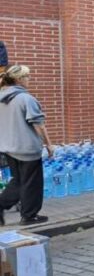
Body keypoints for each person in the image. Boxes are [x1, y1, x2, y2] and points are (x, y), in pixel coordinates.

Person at [0, 65, 52, 226]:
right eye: (27, 76)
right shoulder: (26, 99)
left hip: (8, 147)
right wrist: (49, 145)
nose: (29, 79)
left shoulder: (2, 97)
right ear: (18, 79)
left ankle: (2, 205)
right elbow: (39, 125)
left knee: (19, 180)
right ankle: (29, 215)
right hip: (27, 148)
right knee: (32, 183)